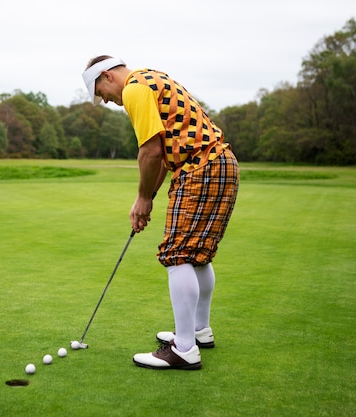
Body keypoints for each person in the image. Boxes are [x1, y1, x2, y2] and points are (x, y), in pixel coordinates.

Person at [82, 56, 240, 370]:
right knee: (198, 255)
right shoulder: (152, 78)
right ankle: (197, 331)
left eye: (102, 93)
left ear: (106, 75)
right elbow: (164, 156)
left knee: (177, 255)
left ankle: (183, 348)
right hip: (222, 164)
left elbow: (150, 150)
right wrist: (147, 199)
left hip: (199, 168)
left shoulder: (133, 90)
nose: (109, 101)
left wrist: (142, 198)